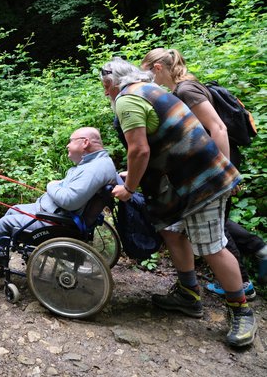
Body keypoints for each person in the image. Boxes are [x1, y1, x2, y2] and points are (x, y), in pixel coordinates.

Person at [100, 57, 257, 348]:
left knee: (211, 246)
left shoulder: (126, 100)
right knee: (171, 230)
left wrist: (129, 187)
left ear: (111, 84)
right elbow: (161, 140)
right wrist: (134, 173)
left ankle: (241, 310)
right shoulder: (151, 90)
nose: (105, 93)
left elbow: (139, 150)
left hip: (199, 181)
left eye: (104, 87)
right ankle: (188, 294)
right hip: (179, 180)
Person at [140, 48, 267, 296]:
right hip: (215, 162)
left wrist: (224, 172)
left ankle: (242, 285)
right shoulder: (184, 87)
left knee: (216, 227)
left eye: (146, 71)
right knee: (216, 220)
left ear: (157, 68)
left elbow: (217, 128)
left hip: (218, 161)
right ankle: (258, 251)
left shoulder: (186, 90)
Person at [0, 127, 116, 265]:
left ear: (85, 142)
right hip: (55, 213)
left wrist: (51, 185)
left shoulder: (94, 169)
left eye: (71, 141)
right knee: (13, 210)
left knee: (6, 222)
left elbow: (70, 200)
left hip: (58, 221)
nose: (67, 145)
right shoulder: (99, 162)